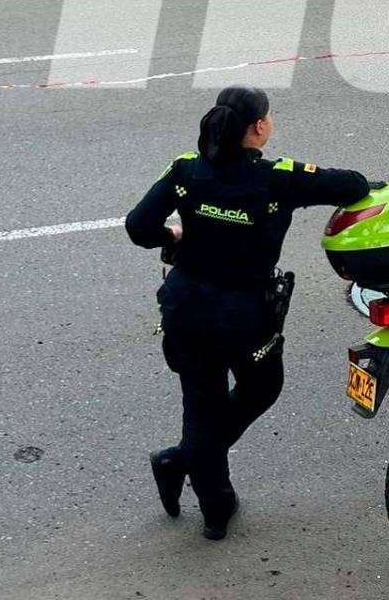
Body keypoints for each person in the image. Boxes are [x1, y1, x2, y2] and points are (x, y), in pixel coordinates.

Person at [125, 86, 370, 540]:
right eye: (271, 115)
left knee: (202, 407)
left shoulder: (186, 170)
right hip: (242, 320)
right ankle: (208, 497)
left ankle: (187, 467)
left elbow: (138, 227)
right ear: (259, 127)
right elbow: (353, 184)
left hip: (186, 309)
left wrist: (173, 236)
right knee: (261, 386)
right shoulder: (279, 177)